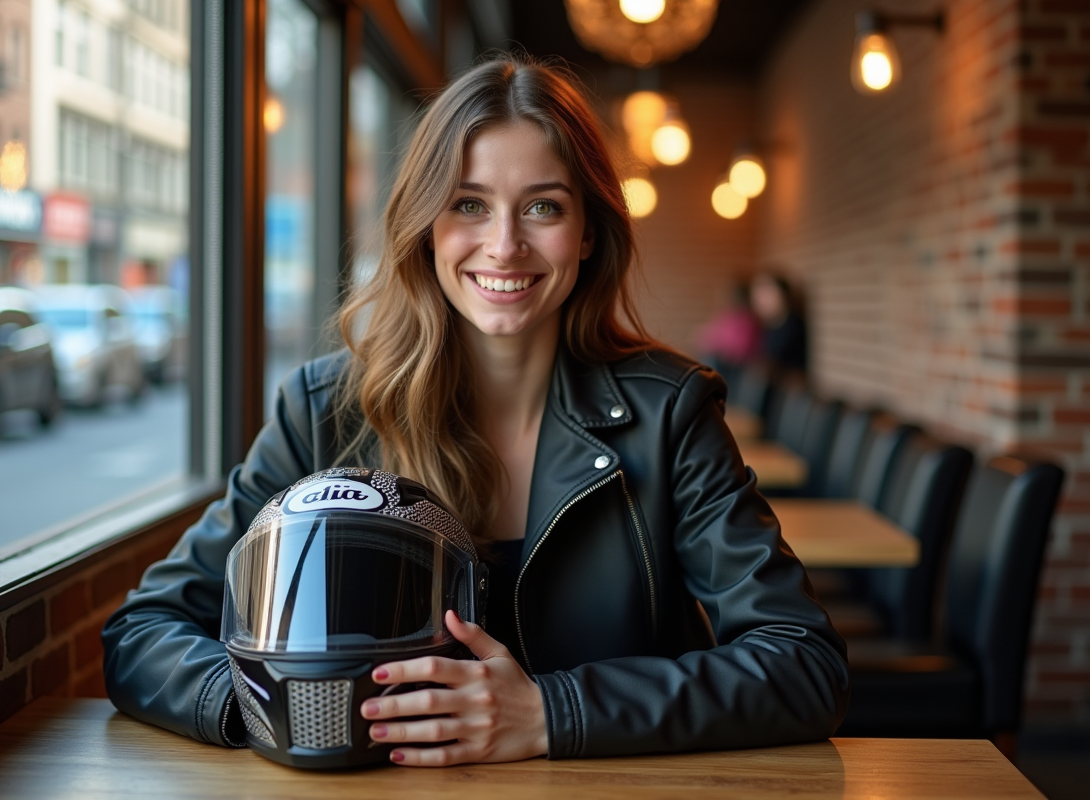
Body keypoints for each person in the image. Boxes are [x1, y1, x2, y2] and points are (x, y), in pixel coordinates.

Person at [102, 55, 848, 767]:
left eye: (544, 207)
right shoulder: (325, 411)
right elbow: (143, 634)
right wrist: (279, 713)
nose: (504, 245)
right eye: (468, 204)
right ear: (426, 226)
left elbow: (802, 663)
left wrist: (554, 714)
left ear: (588, 232)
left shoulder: (673, 413)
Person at [694, 278, 764, 386]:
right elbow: (705, 337)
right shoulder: (727, 315)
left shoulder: (747, 319)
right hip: (722, 361)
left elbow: (743, 349)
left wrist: (721, 350)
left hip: (736, 367)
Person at [750, 271, 808, 374]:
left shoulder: (794, 326)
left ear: (784, 295)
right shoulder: (764, 326)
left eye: (767, 294)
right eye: (758, 295)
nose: (761, 301)